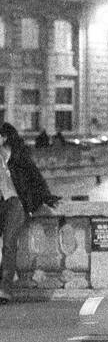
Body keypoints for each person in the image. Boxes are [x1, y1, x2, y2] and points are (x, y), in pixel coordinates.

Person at [0, 123, 60, 303]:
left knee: (9, 244)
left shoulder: (19, 157)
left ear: (4, 138)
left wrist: (47, 197)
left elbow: (35, 178)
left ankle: (4, 289)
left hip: (16, 203)